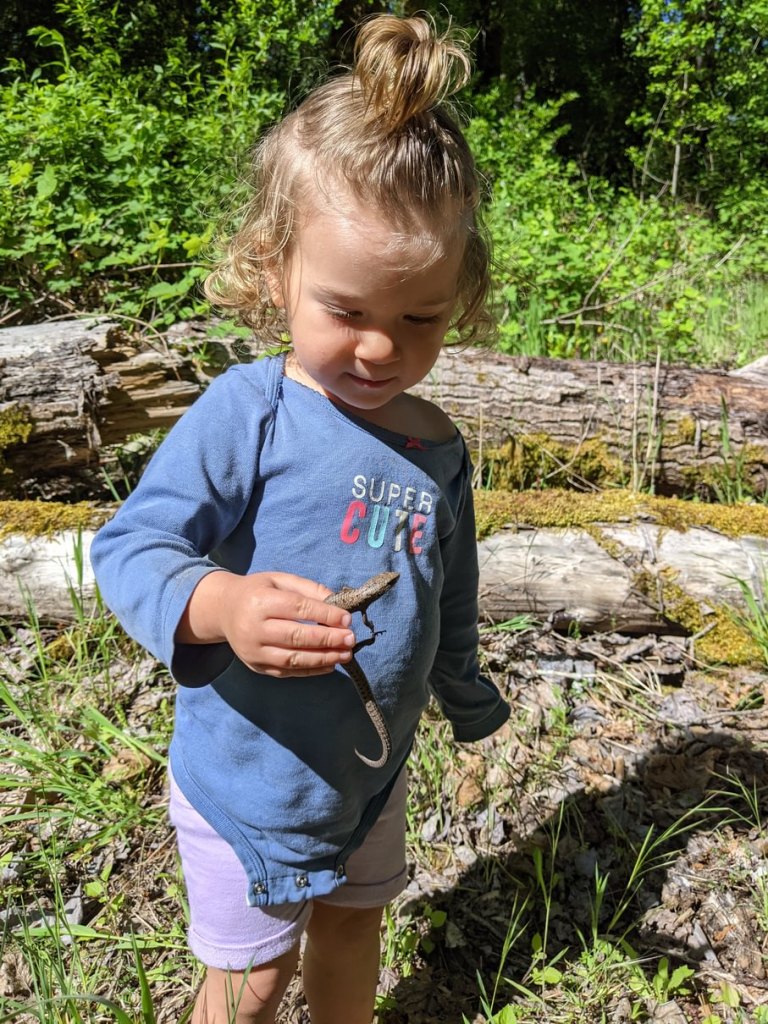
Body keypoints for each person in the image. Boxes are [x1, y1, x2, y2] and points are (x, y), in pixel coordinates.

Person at [91, 13, 511, 1024]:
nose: (380, 350)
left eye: (421, 320)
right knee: (251, 979)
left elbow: (445, 590)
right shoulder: (251, 413)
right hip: (251, 779)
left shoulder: (436, 447)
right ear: (276, 269)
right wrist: (223, 604)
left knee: (353, 932)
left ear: (461, 297)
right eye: (347, 311)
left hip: (367, 769)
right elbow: (131, 546)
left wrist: (461, 685)